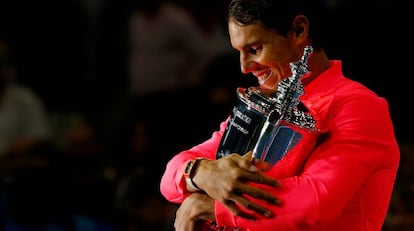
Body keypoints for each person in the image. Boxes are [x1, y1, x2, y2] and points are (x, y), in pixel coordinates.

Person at [159, 0, 400, 230]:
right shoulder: (261, 104)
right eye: (239, 52)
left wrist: (210, 207)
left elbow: (312, 203)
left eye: (254, 49)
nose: (244, 67)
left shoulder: (359, 106)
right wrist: (201, 172)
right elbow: (171, 176)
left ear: (298, 30)